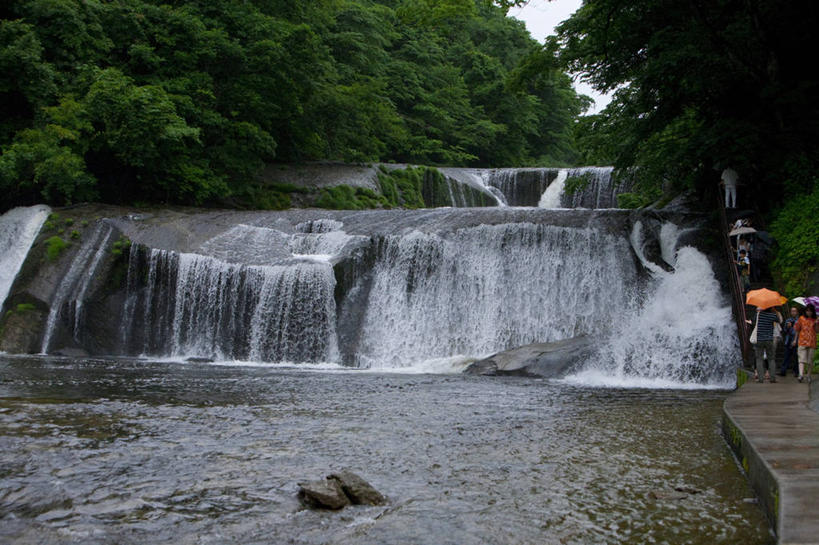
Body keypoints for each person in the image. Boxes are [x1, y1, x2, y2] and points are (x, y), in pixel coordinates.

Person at [751, 306, 782, 382]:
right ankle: (772, 378)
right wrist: (775, 312)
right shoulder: (773, 315)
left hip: (759, 339)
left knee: (759, 359)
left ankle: (760, 379)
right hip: (769, 339)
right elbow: (779, 321)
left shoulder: (758, 314)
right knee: (771, 359)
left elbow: (753, 322)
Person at [793, 305, 818, 383]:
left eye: (810, 311)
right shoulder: (801, 319)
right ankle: (801, 375)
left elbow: (817, 331)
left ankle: (808, 375)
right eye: (807, 311)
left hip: (811, 341)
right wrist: (795, 340)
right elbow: (797, 329)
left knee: (810, 360)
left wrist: (817, 323)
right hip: (802, 341)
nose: (809, 312)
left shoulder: (815, 320)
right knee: (801, 359)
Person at [779, 306, 800, 376]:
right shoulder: (788, 320)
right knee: (786, 356)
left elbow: (799, 330)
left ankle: (796, 371)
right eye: (792, 311)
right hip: (788, 340)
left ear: (797, 312)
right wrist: (788, 327)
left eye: (795, 311)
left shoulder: (799, 320)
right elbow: (784, 331)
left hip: (796, 340)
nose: (793, 312)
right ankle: (783, 370)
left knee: (796, 357)